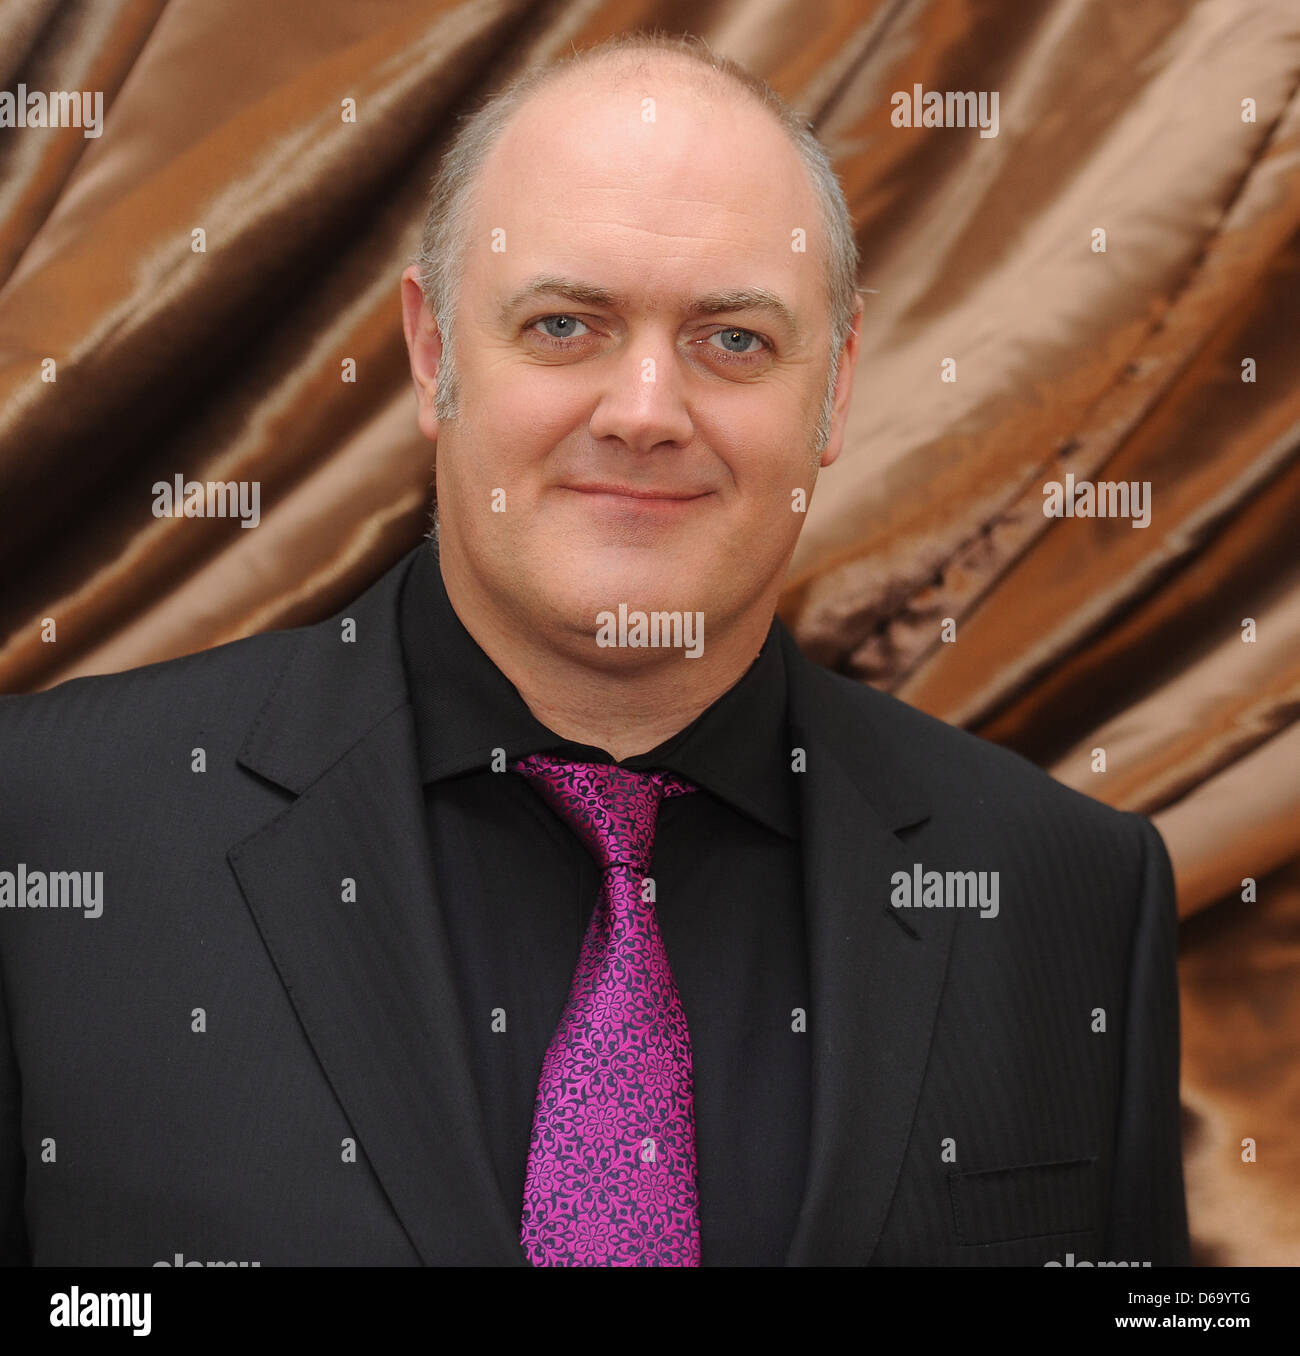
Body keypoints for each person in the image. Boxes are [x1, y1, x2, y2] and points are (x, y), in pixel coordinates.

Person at [0, 32, 1188, 1267]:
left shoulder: (1068, 894)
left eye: (733, 340)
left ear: (832, 392)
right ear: (432, 353)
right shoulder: (45, 830)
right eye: (565, 326)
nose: (643, 413)